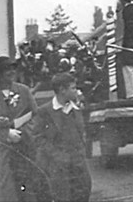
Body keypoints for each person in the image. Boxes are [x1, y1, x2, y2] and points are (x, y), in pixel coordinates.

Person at [0, 56, 41, 202]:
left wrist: (24, 133)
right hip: (4, 150)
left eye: (13, 69)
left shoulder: (24, 90)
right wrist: (6, 134)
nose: (11, 72)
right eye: (6, 70)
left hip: (27, 146)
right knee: (8, 187)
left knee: (30, 184)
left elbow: (36, 115)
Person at [32, 72, 91, 202]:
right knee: (62, 197)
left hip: (78, 165)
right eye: (73, 88)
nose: (77, 91)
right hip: (57, 168)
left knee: (82, 194)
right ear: (62, 90)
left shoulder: (76, 109)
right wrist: (57, 156)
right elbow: (38, 138)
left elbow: (82, 134)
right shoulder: (45, 111)